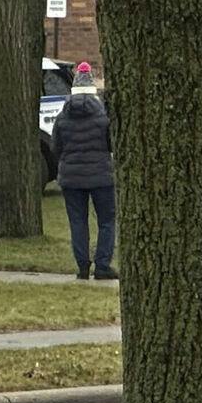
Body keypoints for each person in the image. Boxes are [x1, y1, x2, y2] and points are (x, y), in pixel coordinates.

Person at [52, 62, 118, 280]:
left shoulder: (62, 118)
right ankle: (102, 265)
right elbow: (111, 144)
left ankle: (82, 266)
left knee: (78, 222)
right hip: (101, 176)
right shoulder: (103, 117)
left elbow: (56, 147)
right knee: (107, 221)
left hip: (71, 177)